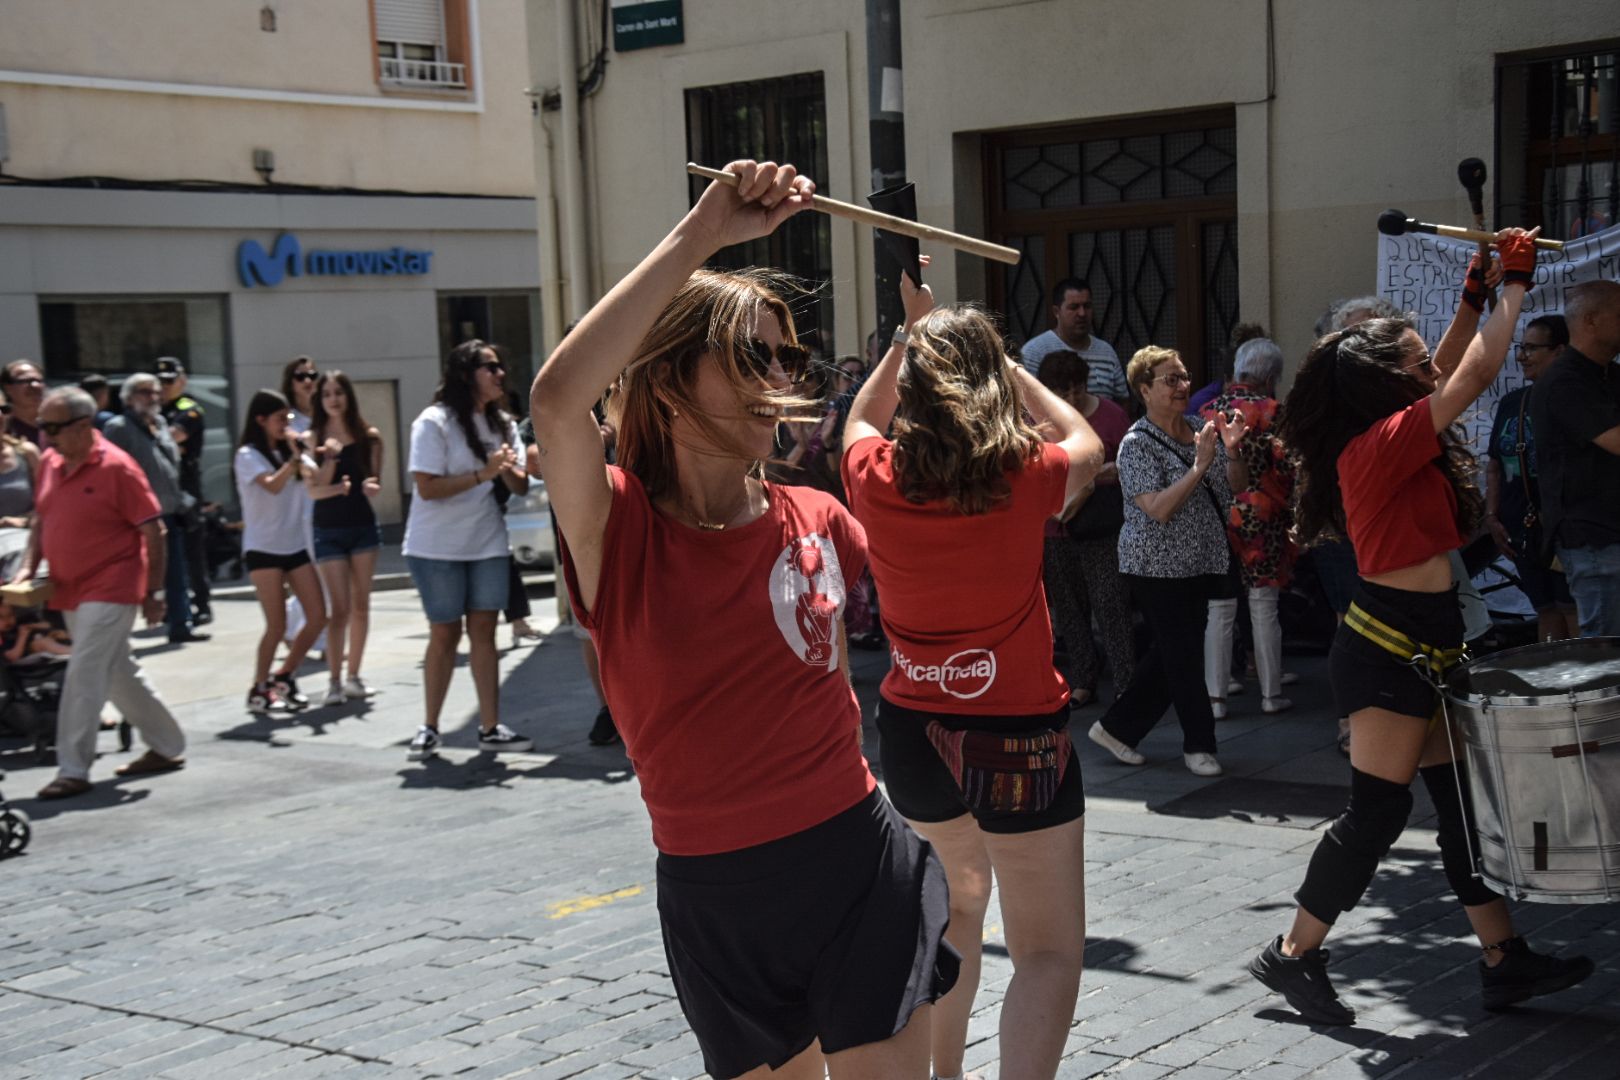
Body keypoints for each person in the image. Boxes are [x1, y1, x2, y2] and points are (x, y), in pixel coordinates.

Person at [533, 159, 957, 1080]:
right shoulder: (618, 526)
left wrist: (912, 350)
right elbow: (559, 401)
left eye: (786, 356)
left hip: (856, 858)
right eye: (748, 355)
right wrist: (703, 238)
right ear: (673, 383)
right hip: (717, 896)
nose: (777, 376)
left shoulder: (819, 519)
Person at [1250, 230, 1593, 1025]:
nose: (1428, 365)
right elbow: (1472, 374)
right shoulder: (1378, 445)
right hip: (1385, 650)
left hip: (1425, 641)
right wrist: (1516, 285)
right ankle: (1292, 955)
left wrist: (1476, 289)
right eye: (1412, 361)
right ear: (1386, 383)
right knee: (1376, 814)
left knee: (1458, 807)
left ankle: (1504, 960)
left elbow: (1448, 360)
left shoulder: (1393, 426)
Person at [843, 260, 1103, 1080]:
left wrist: (908, 338)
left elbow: (860, 414)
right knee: (1050, 951)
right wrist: (1011, 367)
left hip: (915, 729)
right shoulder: (1025, 478)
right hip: (1015, 732)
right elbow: (1088, 440)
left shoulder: (875, 476)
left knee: (955, 916)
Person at [13, 388, 187, 800]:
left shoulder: (118, 468)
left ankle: (73, 768)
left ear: (83, 426)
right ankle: (167, 745)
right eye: (42, 426)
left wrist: (155, 590)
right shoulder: (53, 462)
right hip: (70, 587)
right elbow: (42, 520)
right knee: (115, 669)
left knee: (85, 669)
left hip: (114, 584)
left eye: (53, 427)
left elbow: (154, 530)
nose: (46, 436)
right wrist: (27, 567)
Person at [1087, 346, 1248, 777]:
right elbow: (1157, 509)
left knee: (1173, 651)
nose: (1182, 387)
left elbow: (1235, 487)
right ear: (1145, 390)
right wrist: (1197, 468)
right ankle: (1199, 745)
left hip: (1199, 559)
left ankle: (1116, 728)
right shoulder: (1136, 444)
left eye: (1184, 377)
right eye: (1170, 380)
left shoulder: (1199, 429)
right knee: (1182, 655)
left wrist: (1230, 453)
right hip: (1153, 564)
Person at [402, 340, 533, 759]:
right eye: (489, 368)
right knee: (444, 633)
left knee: (484, 632)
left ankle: (490, 726)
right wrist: (483, 473)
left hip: (486, 542)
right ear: (466, 374)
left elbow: (520, 486)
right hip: (435, 546)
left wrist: (509, 469)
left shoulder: (503, 423)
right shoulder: (433, 422)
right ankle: (429, 726)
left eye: (500, 367)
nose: (500, 375)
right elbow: (426, 487)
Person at [1200, 338, 1296, 718]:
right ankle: (1271, 694)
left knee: (1219, 608)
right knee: (1264, 606)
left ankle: (1216, 698)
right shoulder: (1275, 412)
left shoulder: (1208, 411)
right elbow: (1289, 470)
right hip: (1264, 518)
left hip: (1219, 516)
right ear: (1270, 376)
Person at [1035, 350, 1134, 706]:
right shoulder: (1038, 421)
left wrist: (1103, 472)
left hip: (1101, 525)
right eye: (1063, 393)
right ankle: (1083, 680)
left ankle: (1126, 684)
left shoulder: (1111, 415)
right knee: (1069, 610)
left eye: (1078, 389)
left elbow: (1132, 463)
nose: (1072, 399)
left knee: (1111, 605)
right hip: (1054, 529)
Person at [1528, 279, 1620, 637]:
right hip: (1595, 540)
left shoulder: (1610, 374)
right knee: (1607, 659)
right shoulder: (1564, 380)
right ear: (1592, 320)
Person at [1486, 314, 1577, 642]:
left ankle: (1585, 686)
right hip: (1521, 527)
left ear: (1560, 351)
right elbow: (1495, 464)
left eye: (1531, 348)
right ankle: (1554, 682)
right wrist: (1492, 516)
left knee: (1572, 606)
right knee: (1545, 607)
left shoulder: (1576, 400)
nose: (1522, 356)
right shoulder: (1513, 402)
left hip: (1565, 526)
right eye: (1520, 348)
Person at [235, 390, 326, 714]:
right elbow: (271, 485)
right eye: (279, 419)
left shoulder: (290, 453)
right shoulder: (247, 455)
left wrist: (306, 454)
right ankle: (259, 687)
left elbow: (316, 477)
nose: (285, 425)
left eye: (288, 419)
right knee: (275, 626)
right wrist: (293, 459)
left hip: (295, 544)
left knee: (317, 616)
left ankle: (285, 674)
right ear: (261, 420)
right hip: (263, 549)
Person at [104, 374, 208, 645]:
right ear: (128, 398)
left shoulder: (161, 423)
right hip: (137, 518)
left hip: (169, 511)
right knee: (138, 574)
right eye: (144, 392)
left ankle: (180, 623)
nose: (152, 397)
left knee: (176, 571)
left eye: (155, 392)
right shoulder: (118, 428)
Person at [306, 371, 384, 706]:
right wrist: (331, 458)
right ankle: (334, 681)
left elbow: (375, 479)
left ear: (349, 396)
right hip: (328, 528)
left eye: (339, 392)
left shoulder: (369, 436)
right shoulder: (313, 438)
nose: (333, 399)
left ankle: (354, 676)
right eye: (326, 394)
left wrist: (371, 486)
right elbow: (314, 490)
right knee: (339, 608)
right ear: (320, 401)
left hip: (362, 525)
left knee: (362, 605)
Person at [157, 358, 212, 626]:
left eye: (169, 381)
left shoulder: (188, 408)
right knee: (166, 552)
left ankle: (202, 604)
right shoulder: (156, 409)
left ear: (182, 381)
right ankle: (175, 606)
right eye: (161, 381)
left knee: (192, 550)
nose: (164, 386)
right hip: (162, 488)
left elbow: (171, 437)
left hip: (186, 487)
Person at [1017, 279, 1128, 404]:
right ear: (1056, 312)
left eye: (1087, 306)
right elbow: (1025, 403)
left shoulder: (1106, 352)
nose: (1082, 313)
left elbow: (1122, 403)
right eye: (1073, 307)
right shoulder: (1034, 352)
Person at [0, 385, 41, 580]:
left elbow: (51, 502)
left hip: (27, 545)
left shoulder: (27, 452)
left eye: (4, 410)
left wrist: (24, 521)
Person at [2, 360, 47, 447]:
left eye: (38, 380)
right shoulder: (4, 430)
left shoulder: (60, 425)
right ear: (7, 388)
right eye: (25, 380)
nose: (35, 385)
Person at [281, 355, 320, 436]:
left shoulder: (326, 411)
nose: (307, 381)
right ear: (290, 383)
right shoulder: (284, 416)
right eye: (300, 376)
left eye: (312, 375)